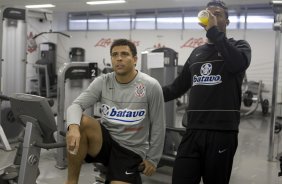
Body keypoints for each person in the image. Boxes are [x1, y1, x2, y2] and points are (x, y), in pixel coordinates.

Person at [162, 1, 251, 184]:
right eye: (208, 14)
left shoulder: (240, 46)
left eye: (217, 14)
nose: (212, 18)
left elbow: (237, 64)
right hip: (192, 131)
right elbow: (177, 87)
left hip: (222, 132)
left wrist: (213, 32)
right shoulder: (196, 54)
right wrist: (148, 93)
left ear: (227, 21)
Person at [65, 39, 165, 184]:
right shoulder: (103, 81)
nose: (119, 58)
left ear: (135, 59)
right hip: (105, 143)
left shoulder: (150, 86)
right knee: (81, 121)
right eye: (115, 55)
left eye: (124, 54)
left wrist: (153, 159)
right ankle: (71, 182)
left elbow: (158, 125)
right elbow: (76, 106)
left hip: (130, 149)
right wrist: (73, 127)